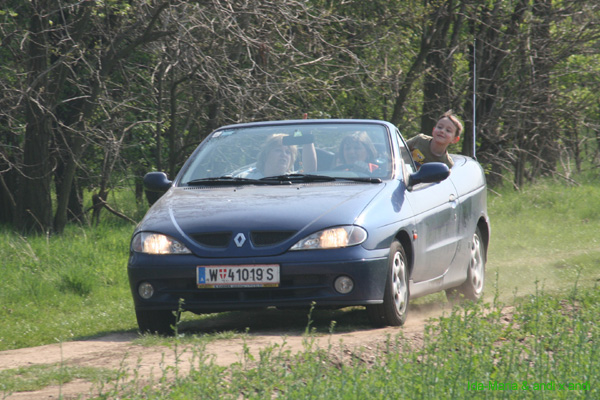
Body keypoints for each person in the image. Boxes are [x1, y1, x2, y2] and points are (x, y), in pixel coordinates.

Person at [240, 133, 317, 178]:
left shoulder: (294, 180)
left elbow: (310, 171)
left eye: (288, 152)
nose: (284, 155)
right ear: (265, 155)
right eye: (278, 150)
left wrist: (308, 140)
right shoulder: (246, 178)